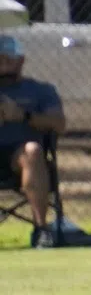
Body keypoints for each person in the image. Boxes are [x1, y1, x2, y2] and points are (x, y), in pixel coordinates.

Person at [0, 33, 64, 243]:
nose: (4, 63)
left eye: (8, 58)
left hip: (19, 158)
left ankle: (41, 229)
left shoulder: (41, 91)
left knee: (33, 151)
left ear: (21, 60)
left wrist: (23, 116)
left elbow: (58, 123)